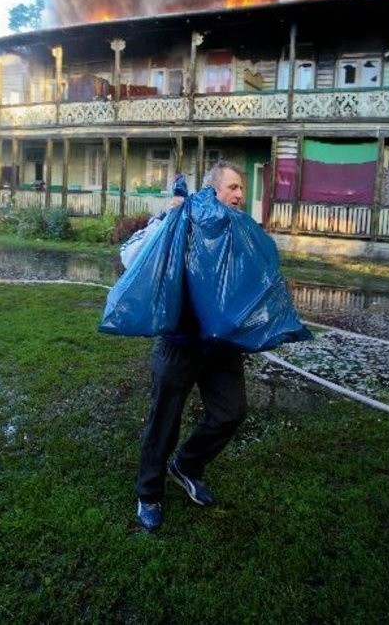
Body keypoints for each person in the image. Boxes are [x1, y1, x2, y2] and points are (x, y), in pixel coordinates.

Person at [136, 161, 247, 531]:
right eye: (232, 187)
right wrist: (165, 221)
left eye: (242, 188)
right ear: (212, 191)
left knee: (230, 413)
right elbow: (134, 255)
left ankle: (186, 465)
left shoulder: (238, 229)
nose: (240, 195)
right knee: (163, 422)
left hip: (220, 345)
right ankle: (148, 494)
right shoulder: (182, 219)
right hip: (180, 343)